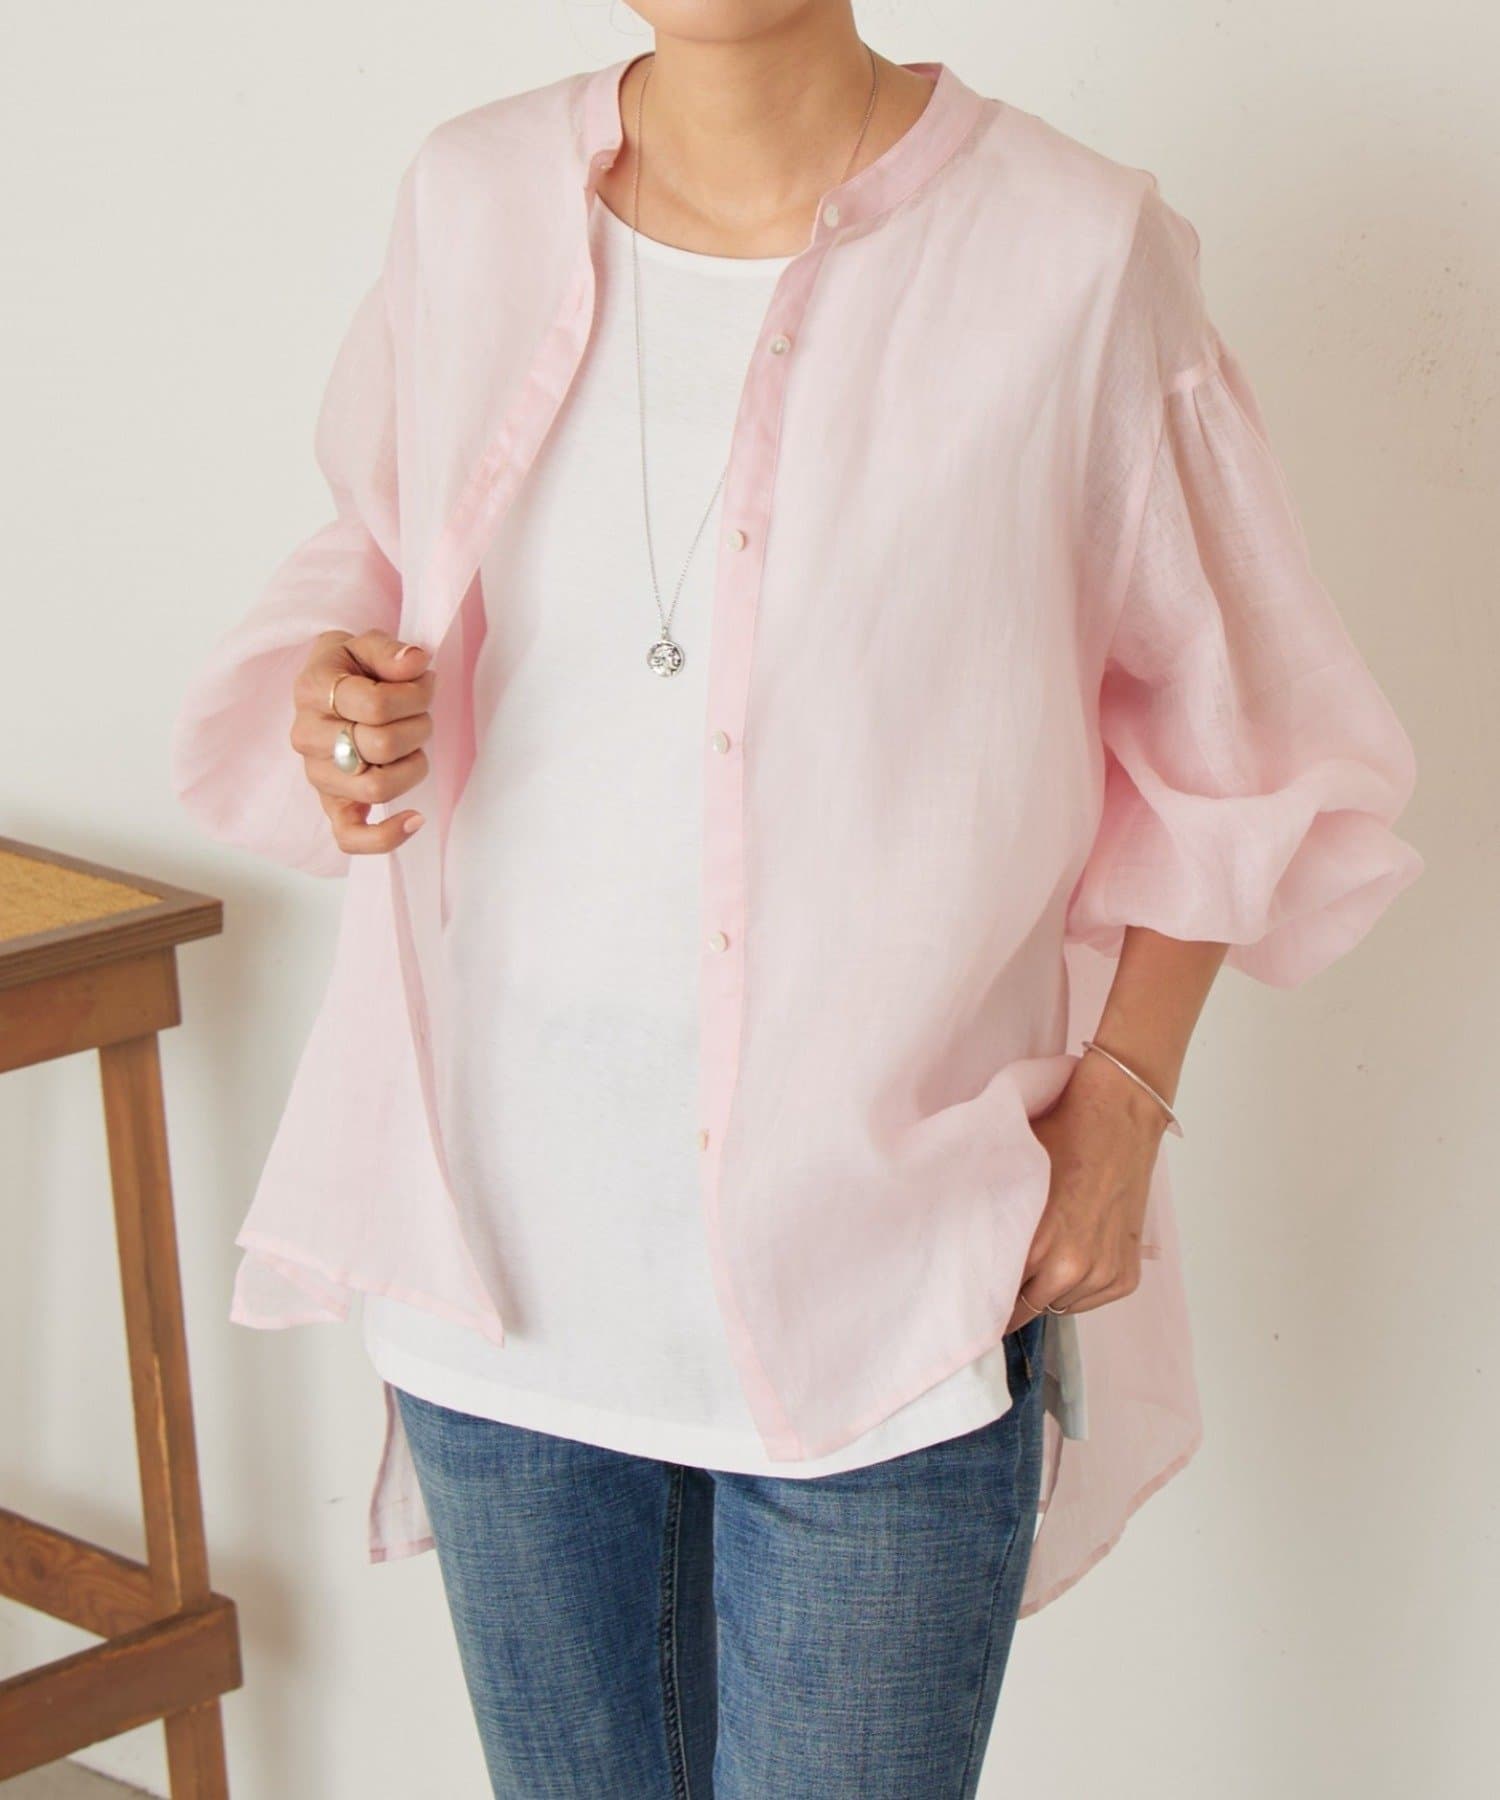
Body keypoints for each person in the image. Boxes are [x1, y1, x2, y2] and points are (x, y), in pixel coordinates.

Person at [170, 4, 1423, 1794]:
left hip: (893, 1283)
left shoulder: (1075, 255)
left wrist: (1130, 1095)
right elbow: (378, 552)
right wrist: (339, 691)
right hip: (499, 1276)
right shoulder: (469, 200)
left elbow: (1245, 734)